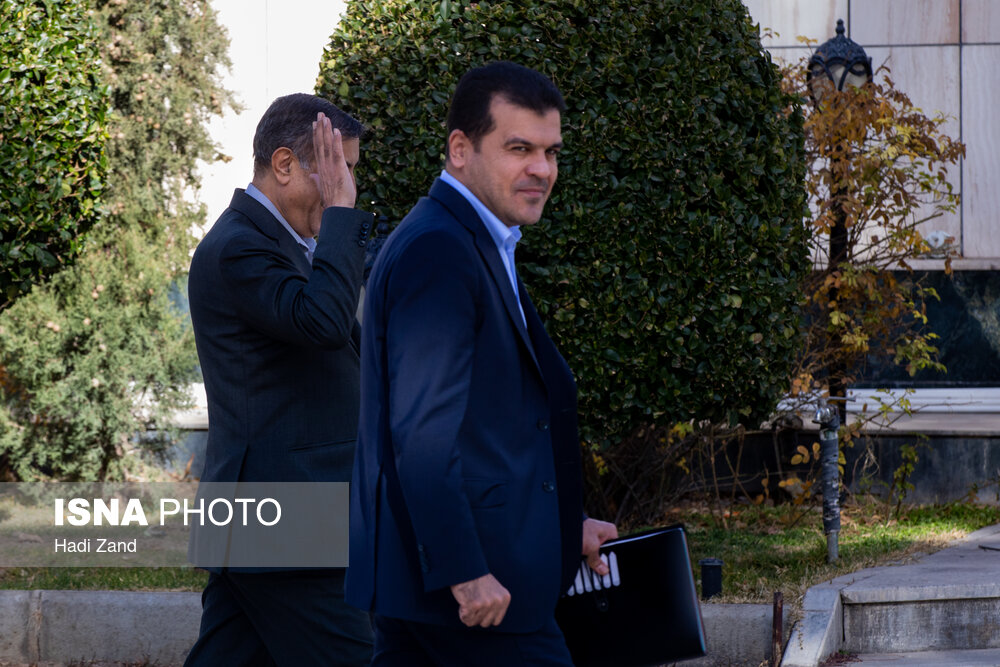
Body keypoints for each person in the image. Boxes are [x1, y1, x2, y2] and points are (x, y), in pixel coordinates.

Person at [346, 61, 618, 665]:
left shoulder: (477, 241)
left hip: (459, 589)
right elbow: (421, 436)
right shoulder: (440, 250)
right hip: (473, 596)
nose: (542, 169)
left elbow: (491, 425)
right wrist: (464, 572)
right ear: (460, 149)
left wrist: (562, 524)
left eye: (551, 152)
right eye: (519, 149)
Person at [184, 93, 374, 666]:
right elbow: (323, 323)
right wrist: (341, 217)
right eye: (336, 170)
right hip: (284, 524)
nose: (346, 187)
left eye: (350, 172)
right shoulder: (239, 248)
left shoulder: (288, 245)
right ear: (285, 164)